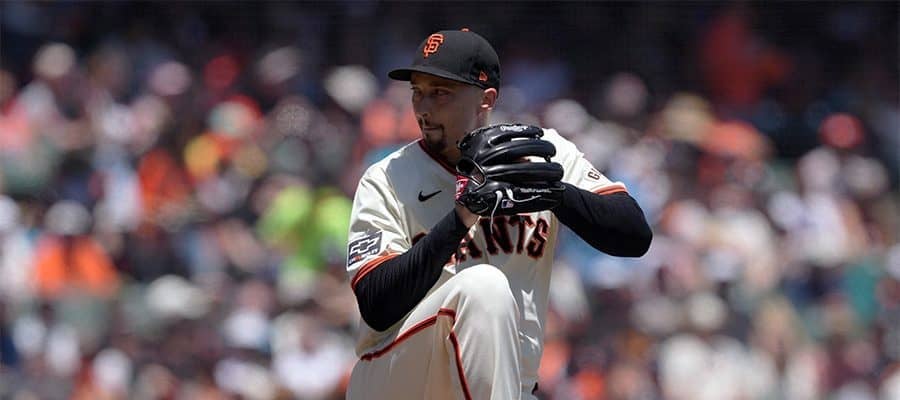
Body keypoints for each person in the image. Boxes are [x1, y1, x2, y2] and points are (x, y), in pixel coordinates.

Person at [346, 29, 652, 400]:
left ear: (486, 98)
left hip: (506, 386)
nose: (423, 108)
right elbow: (377, 306)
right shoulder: (388, 176)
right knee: (483, 287)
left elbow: (634, 236)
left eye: (440, 93)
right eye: (417, 92)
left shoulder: (538, 152)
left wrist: (555, 193)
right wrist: (461, 217)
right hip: (399, 378)